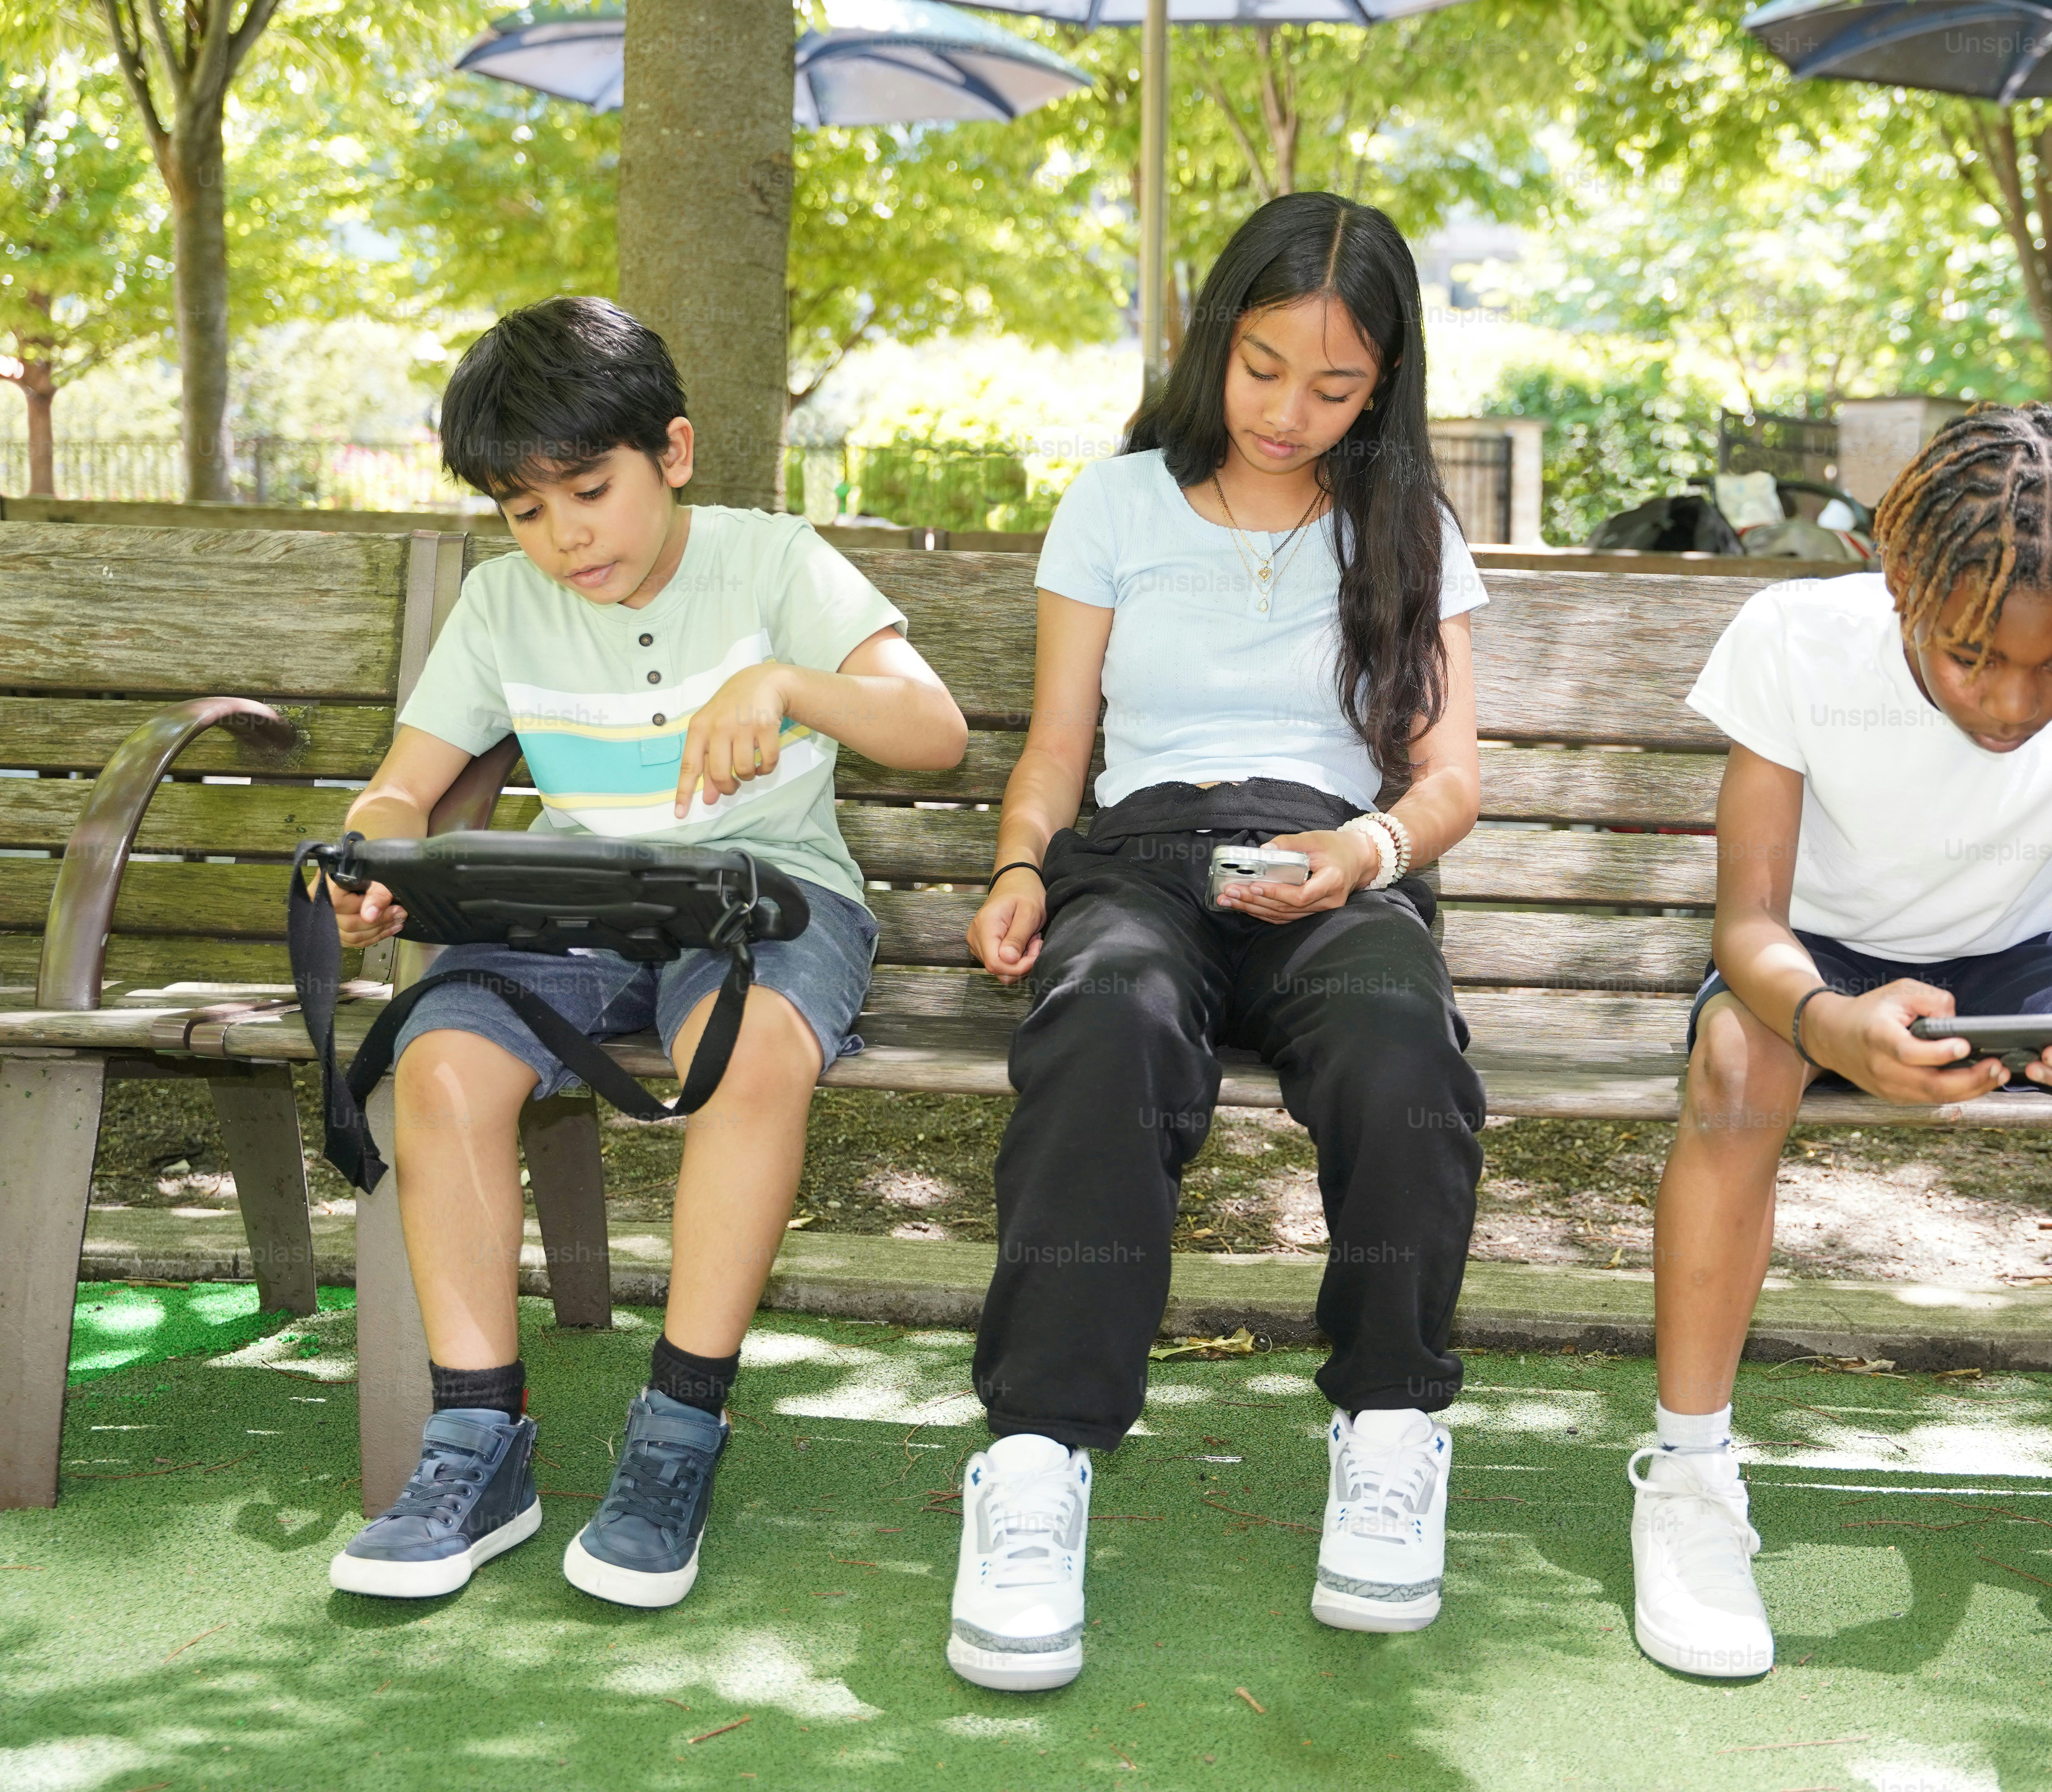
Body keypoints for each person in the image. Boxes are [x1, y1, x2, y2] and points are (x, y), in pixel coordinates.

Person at [323, 297, 968, 1607]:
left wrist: (787, 685)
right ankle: (476, 1439)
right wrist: (371, 859)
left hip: (770, 898)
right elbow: (403, 790)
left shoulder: (777, 561)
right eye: (523, 509)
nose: (565, 536)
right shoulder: (504, 608)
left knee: (746, 1060)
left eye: (590, 490)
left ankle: (677, 1431)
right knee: (438, 1063)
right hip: (571, 898)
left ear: (673, 452)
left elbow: (933, 728)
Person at [951, 192, 1490, 1692]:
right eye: (1262, 369)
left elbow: (1450, 782)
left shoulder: (1412, 527)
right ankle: (1040, 1458)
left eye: (1334, 386)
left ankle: (1391, 1423)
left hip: (1332, 859)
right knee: (1103, 1027)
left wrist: (1360, 855)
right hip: (1140, 859)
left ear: (1386, 381)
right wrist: (1018, 868)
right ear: (1213, 341)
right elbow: (1061, 745)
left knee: (1400, 1048)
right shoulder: (1118, 502)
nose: (1289, 412)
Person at [1631, 401, 2052, 1700]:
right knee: (1738, 1069)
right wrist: (1830, 1021)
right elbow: (1747, 925)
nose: (2012, 702)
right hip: (1819, 965)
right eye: (1971, 658)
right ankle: (1686, 1480)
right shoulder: (1797, 638)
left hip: (2012, 965)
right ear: (1901, 582)